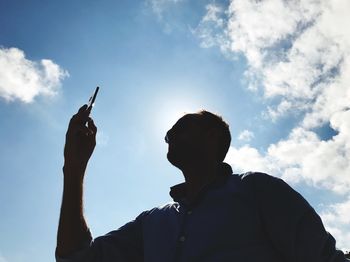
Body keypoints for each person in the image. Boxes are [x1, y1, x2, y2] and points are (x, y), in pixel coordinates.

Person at [56, 104, 349, 262]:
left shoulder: (258, 190)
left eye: (181, 128)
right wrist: (74, 166)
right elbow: (76, 259)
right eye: (168, 134)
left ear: (213, 138)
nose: (170, 134)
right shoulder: (152, 222)